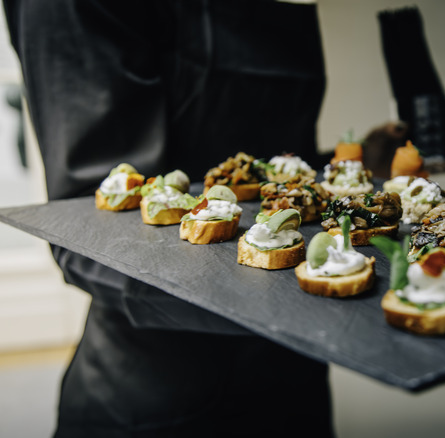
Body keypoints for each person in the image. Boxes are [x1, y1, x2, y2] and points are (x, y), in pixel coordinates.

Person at [3, 1, 335, 436]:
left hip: (299, 367)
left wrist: (335, 173)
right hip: (169, 389)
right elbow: (88, 219)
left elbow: (262, 175)